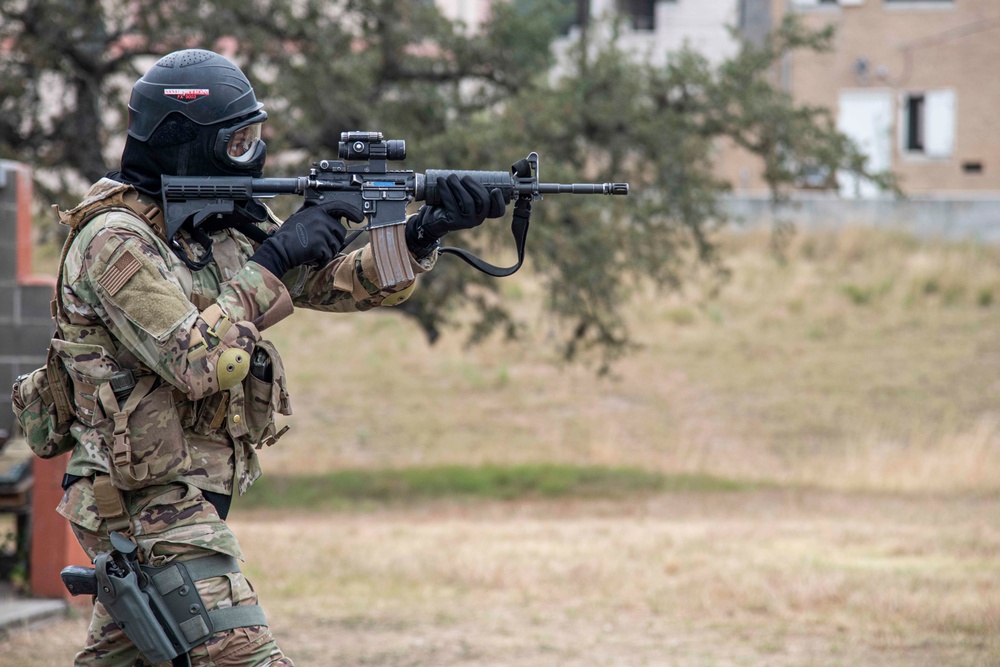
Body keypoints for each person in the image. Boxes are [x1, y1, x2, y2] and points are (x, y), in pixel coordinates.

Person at [37, 48, 505, 666]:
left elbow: (336, 284)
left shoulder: (219, 223)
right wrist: (275, 258)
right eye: (238, 142)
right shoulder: (114, 242)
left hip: (179, 492)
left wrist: (423, 232)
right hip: (139, 499)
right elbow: (194, 361)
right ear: (182, 140)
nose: (252, 154)